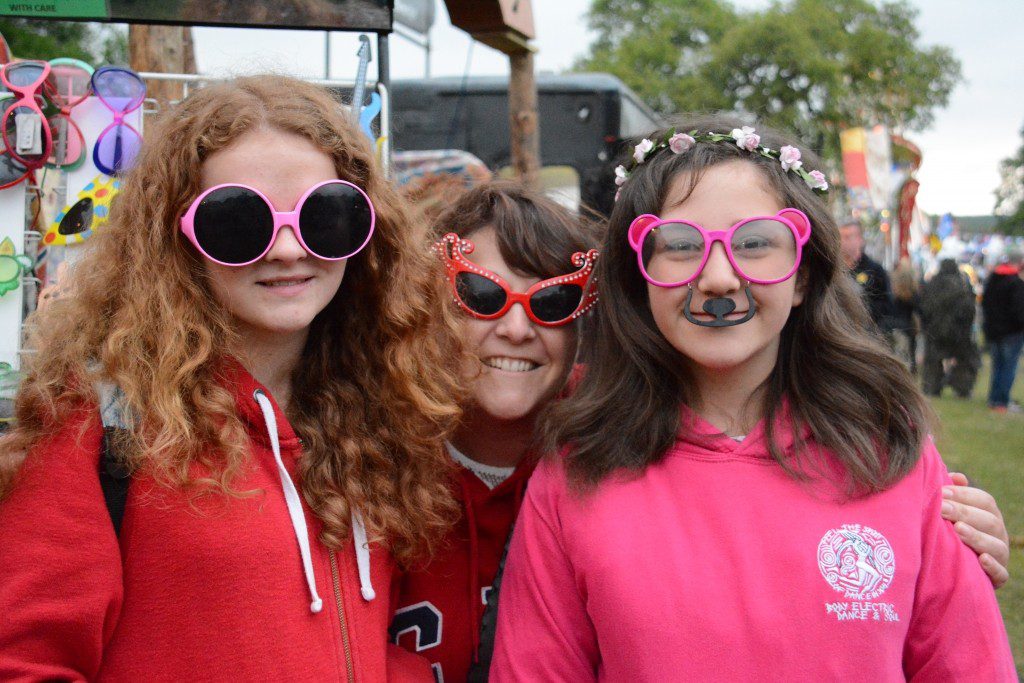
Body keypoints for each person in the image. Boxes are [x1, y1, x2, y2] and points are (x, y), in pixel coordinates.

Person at [490, 119, 1017, 680]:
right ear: (638, 276)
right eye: (680, 245)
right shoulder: (576, 471)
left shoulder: (893, 454)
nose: (718, 277)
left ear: (803, 278)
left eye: (755, 243)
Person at [0, 75, 463, 680]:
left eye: (325, 215)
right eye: (240, 221)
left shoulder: (379, 412)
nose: (290, 249)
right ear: (176, 238)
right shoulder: (100, 418)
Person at [391, 182, 600, 682]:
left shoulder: (619, 454)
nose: (516, 328)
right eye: (482, 295)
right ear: (430, 306)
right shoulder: (364, 451)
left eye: (552, 303)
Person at [920, 258, 981, 398]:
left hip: (934, 330)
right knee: (965, 359)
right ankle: (962, 388)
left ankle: (931, 387)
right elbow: (969, 309)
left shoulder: (932, 285)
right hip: (958, 331)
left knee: (933, 360)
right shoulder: (963, 285)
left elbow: (924, 307)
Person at [981, 249, 1024, 412]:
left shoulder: (992, 280)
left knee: (997, 366)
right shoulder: (1016, 284)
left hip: (994, 331)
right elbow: (1019, 312)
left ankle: (994, 398)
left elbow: (985, 305)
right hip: (1011, 333)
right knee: (1008, 367)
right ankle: (1002, 401)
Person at [839, 220, 896, 334]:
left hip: (868, 335)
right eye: (840, 237)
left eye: (847, 237)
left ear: (860, 240)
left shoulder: (875, 270)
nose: (842, 241)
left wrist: (862, 308)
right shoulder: (835, 270)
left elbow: (887, 306)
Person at [890, 258, 921, 373]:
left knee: (899, 351)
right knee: (911, 349)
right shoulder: (913, 293)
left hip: (897, 325)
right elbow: (918, 309)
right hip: (910, 325)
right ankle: (912, 369)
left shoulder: (894, 293)